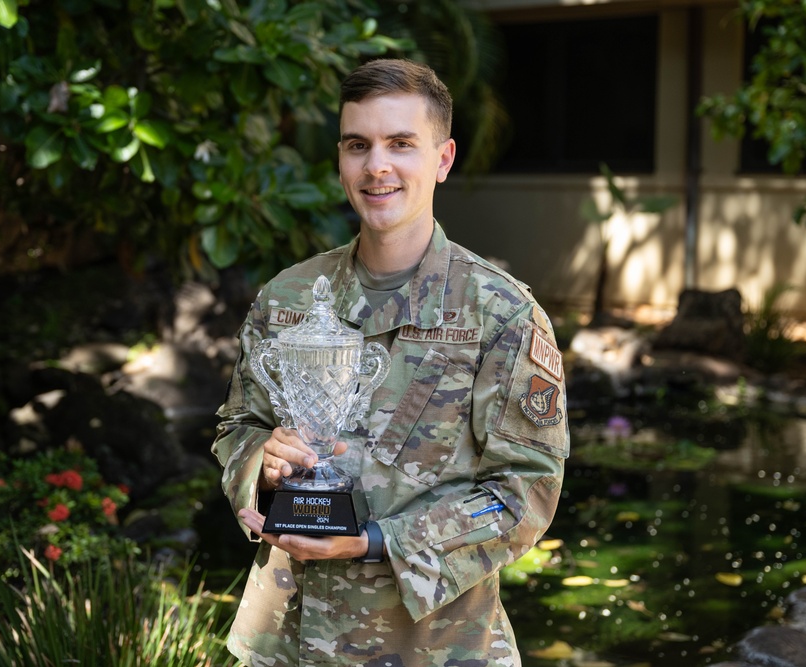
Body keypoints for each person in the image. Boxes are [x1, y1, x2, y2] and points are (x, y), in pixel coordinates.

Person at [212, 58, 569, 666]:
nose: (377, 166)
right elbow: (235, 429)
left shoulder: (499, 313)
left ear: (443, 159)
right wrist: (262, 466)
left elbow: (523, 492)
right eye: (358, 145)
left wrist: (376, 542)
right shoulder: (289, 298)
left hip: (432, 647)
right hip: (287, 641)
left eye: (401, 144)